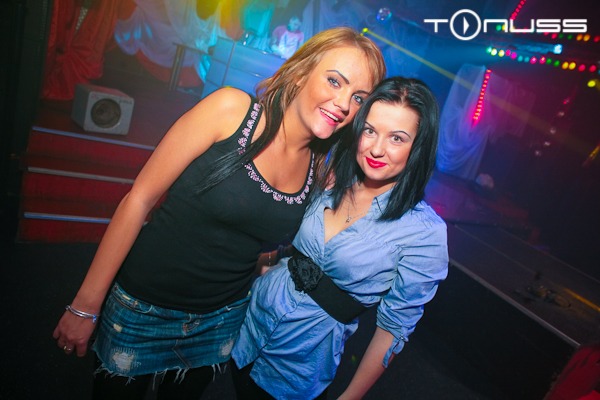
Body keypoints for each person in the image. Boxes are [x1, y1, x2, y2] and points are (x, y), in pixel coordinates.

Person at [52, 27, 386, 399]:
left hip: (221, 322)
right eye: (334, 81)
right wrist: (85, 306)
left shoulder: (318, 169)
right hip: (144, 307)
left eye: (358, 97)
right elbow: (139, 199)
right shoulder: (231, 110)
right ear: (301, 72)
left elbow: (261, 244)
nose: (343, 104)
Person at [230, 77, 449, 400]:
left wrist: (350, 397)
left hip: (297, 371)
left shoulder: (424, 233)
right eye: (370, 130)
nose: (377, 149)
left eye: (397, 138)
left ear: (418, 147)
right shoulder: (330, 178)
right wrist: (267, 265)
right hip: (246, 332)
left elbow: (393, 330)